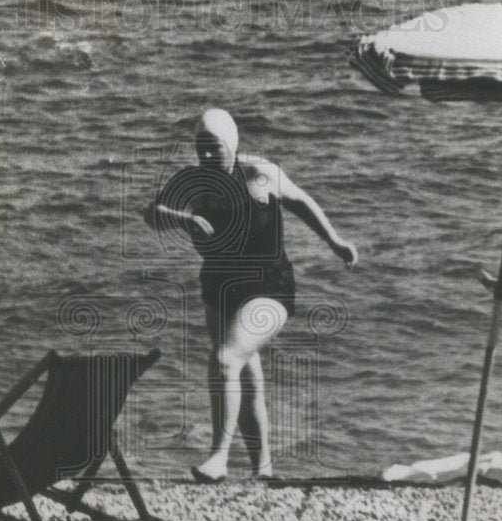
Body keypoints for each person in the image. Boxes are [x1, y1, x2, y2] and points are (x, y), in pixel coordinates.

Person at [145, 108, 357, 482]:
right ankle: (264, 470)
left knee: (227, 359)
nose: (207, 157)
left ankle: (219, 457)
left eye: (214, 149)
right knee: (244, 372)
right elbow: (153, 213)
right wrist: (186, 219)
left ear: (232, 145)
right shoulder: (194, 182)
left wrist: (336, 242)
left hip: (269, 288)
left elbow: (302, 203)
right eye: (200, 148)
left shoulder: (259, 173)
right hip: (219, 287)